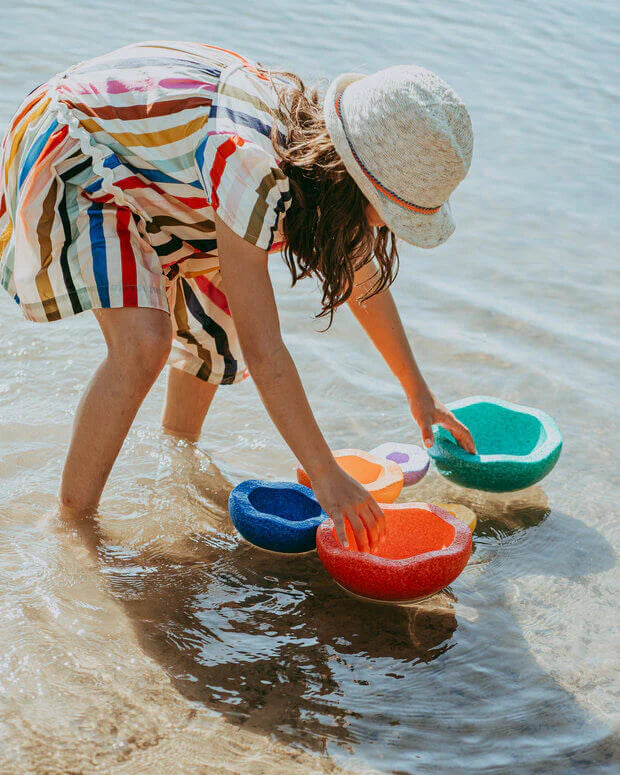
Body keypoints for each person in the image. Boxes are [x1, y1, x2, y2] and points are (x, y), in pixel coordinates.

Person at [0, 41, 476, 552]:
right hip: (81, 146)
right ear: (357, 182)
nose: (390, 227)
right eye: (392, 212)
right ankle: (71, 522)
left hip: (163, 172)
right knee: (143, 342)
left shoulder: (316, 165)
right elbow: (265, 348)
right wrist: (325, 474)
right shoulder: (253, 164)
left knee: (217, 312)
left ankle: (175, 457)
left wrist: (418, 393)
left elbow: (361, 279)